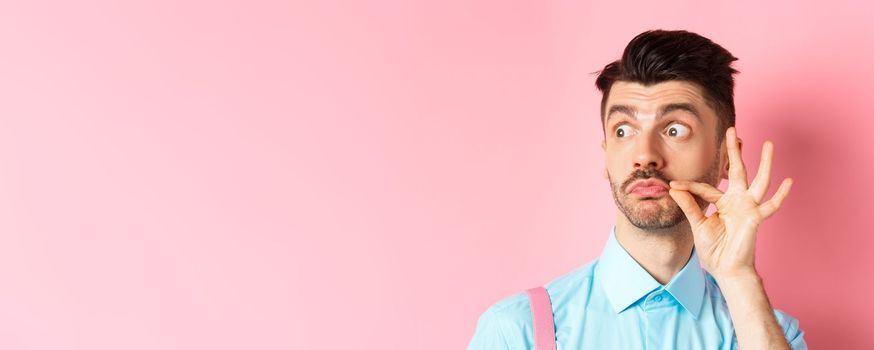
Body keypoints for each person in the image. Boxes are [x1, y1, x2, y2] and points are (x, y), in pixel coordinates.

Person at [467, 29, 807, 349]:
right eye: (623, 131)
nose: (644, 155)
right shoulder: (517, 331)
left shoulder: (769, 332)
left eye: (675, 130)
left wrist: (738, 277)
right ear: (606, 156)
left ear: (726, 161)